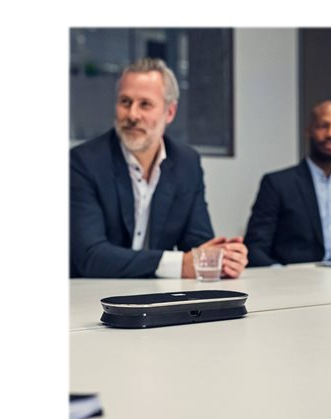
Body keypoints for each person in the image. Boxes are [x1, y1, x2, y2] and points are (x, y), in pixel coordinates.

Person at [70, 58, 248, 278]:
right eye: (125, 102)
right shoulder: (83, 162)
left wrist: (223, 258)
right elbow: (90, 256)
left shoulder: (186, 163)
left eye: (145, 104)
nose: (132, 115)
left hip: (158, 292)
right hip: (93, 294)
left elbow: (197, 245)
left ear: (170, 112)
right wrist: (179, 265)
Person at [244, 100, 331, 267]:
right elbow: (255, 248)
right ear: (309, 131)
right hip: (294, 278)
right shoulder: (277, 184)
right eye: (323, 126)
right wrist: (280, 274)